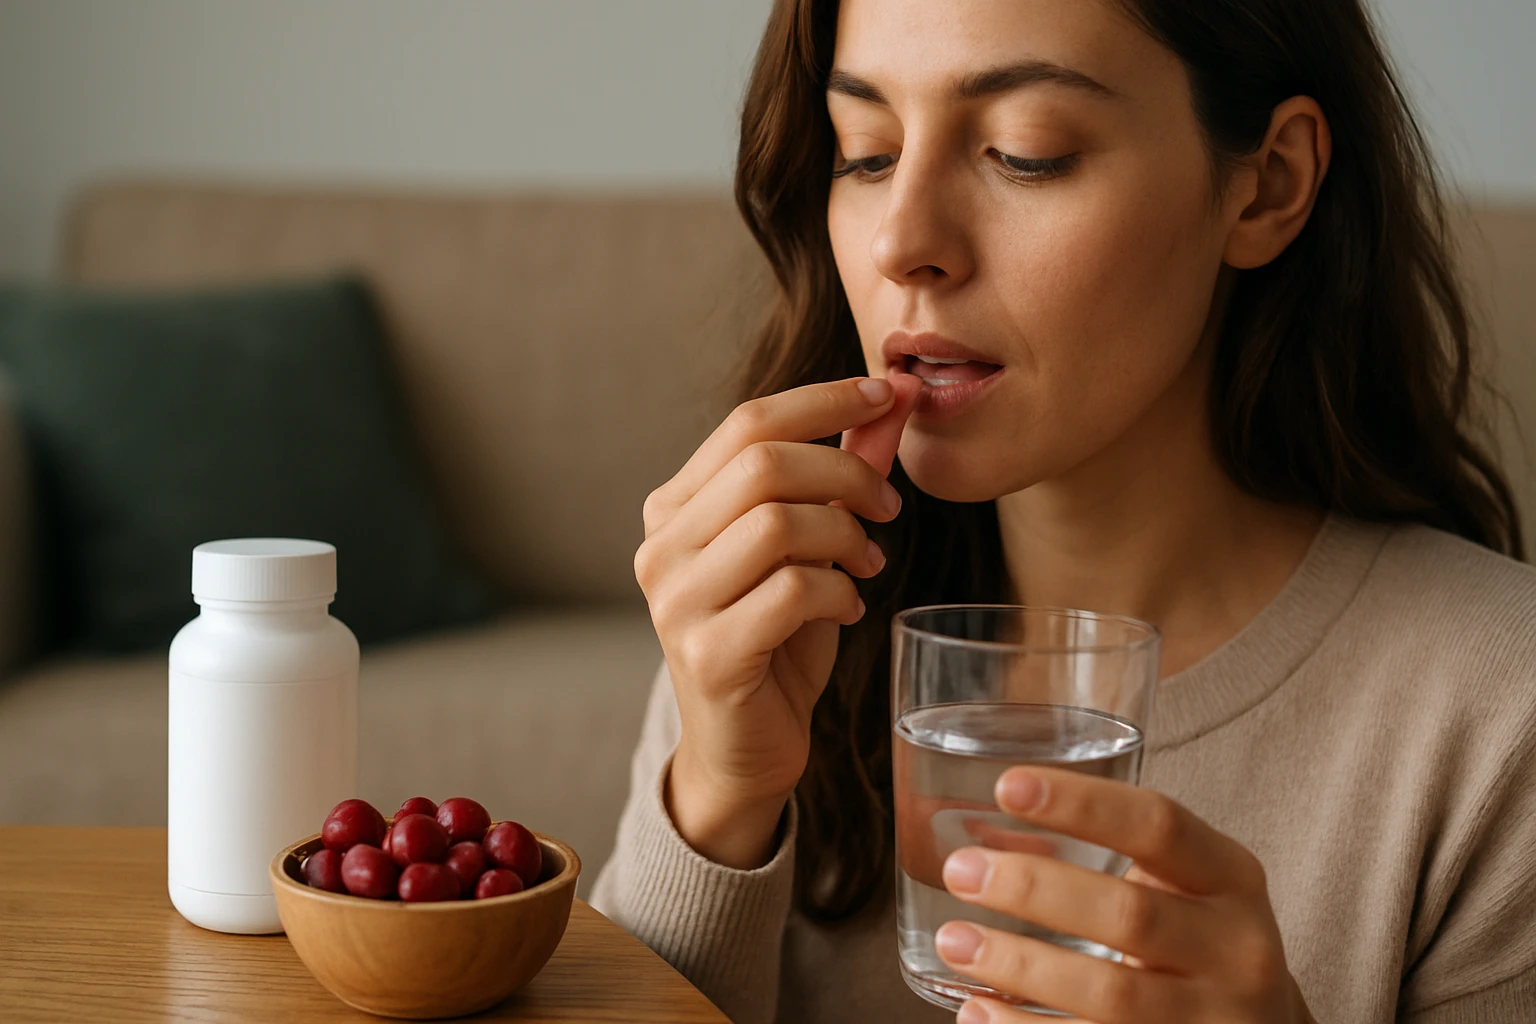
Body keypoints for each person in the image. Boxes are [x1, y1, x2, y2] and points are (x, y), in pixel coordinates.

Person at [591, 0, 1536, 1021]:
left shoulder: (1499, 718)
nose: (903, 241)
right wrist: (716, 799)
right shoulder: (776, 616)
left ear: (1269, 183)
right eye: (866, 153)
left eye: (1024, 152)